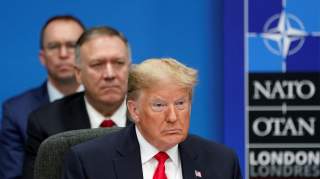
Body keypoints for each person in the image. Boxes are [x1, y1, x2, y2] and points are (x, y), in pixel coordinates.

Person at [62, 58, 242, 179]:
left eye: (180, 104)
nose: (173, 117)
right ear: (134, 110)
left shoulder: (222, 162)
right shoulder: (89, 163)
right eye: (159, 105)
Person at [23, 26, 132, 179]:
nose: (110, 74)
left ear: (131, 68)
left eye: (119, 63)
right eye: (97, 64)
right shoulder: (46, 123)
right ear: (78, 74)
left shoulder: (153, 116)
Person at [0, 15, 85, 179]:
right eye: (54, 46)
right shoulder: (17, 111)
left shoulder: (109, 102)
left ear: (87, 53)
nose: (63, 54)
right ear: (42, 58)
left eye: (71, 45)